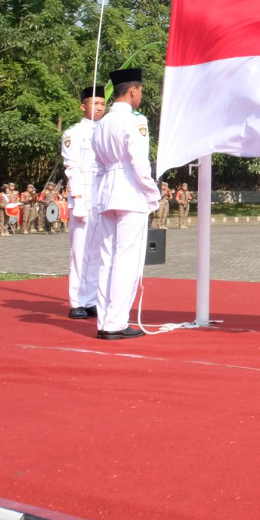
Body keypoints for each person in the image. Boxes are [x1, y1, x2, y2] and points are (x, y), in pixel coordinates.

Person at [91, 68, 161, 340]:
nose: (141, 95)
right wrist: (152, 194)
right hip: (130, 191)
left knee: (107, 259)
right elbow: (140, 164)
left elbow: (97, 165)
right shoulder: (135, 120)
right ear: (133, 90)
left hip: (107, 191)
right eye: (140, 90)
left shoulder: (102, 122)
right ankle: (116, 322)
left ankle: (105, 320)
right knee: (127, 259)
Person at [61, 84, 105, 320]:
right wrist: (77, 199)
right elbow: (72, 168)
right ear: (83, 106)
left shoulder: (107, 129)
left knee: (97, 251)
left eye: (102, 104)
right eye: (94, 103)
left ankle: (91, 300)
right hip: (83, 195)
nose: (99, 108)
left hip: (103, 195)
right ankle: (77, 301)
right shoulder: (74, 133)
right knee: (80, 250)